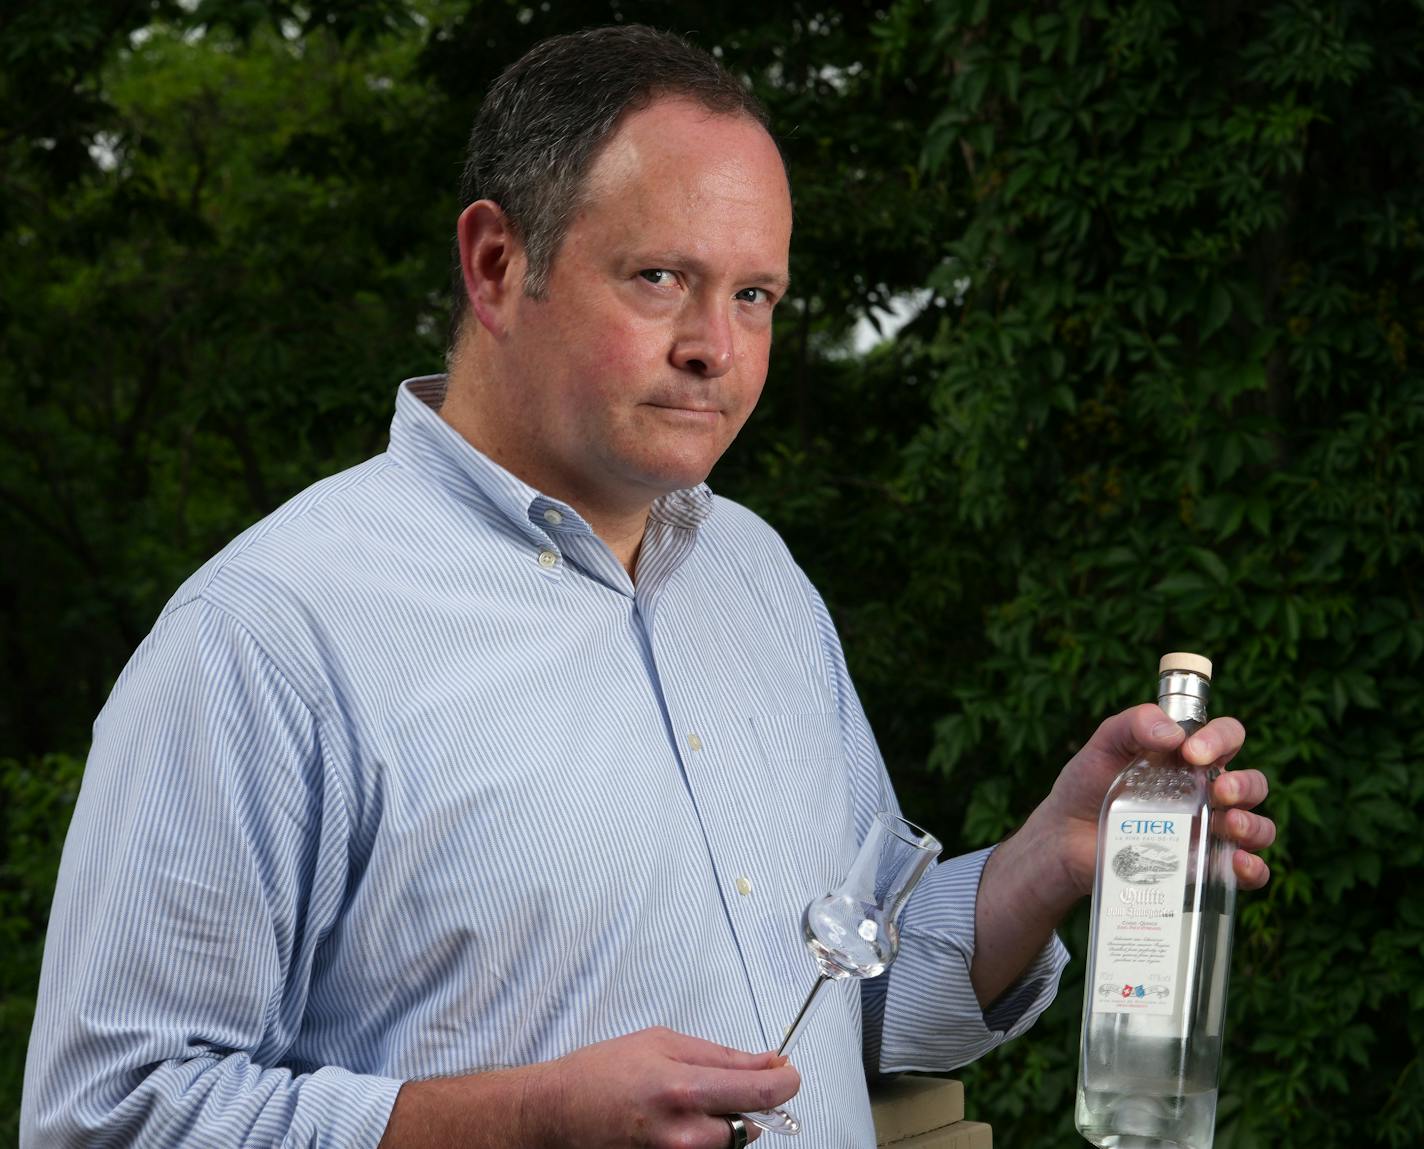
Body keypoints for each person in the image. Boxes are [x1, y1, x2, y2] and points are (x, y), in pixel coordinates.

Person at [21, 25, 1274, 1149]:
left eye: (753, 297)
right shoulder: (270, 636)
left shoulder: (756, 578)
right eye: (659, 278)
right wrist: (519, 1123)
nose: (714, 349)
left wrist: (1044, 862)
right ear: (498, 262)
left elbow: (862, 997)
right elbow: (109, 1116)